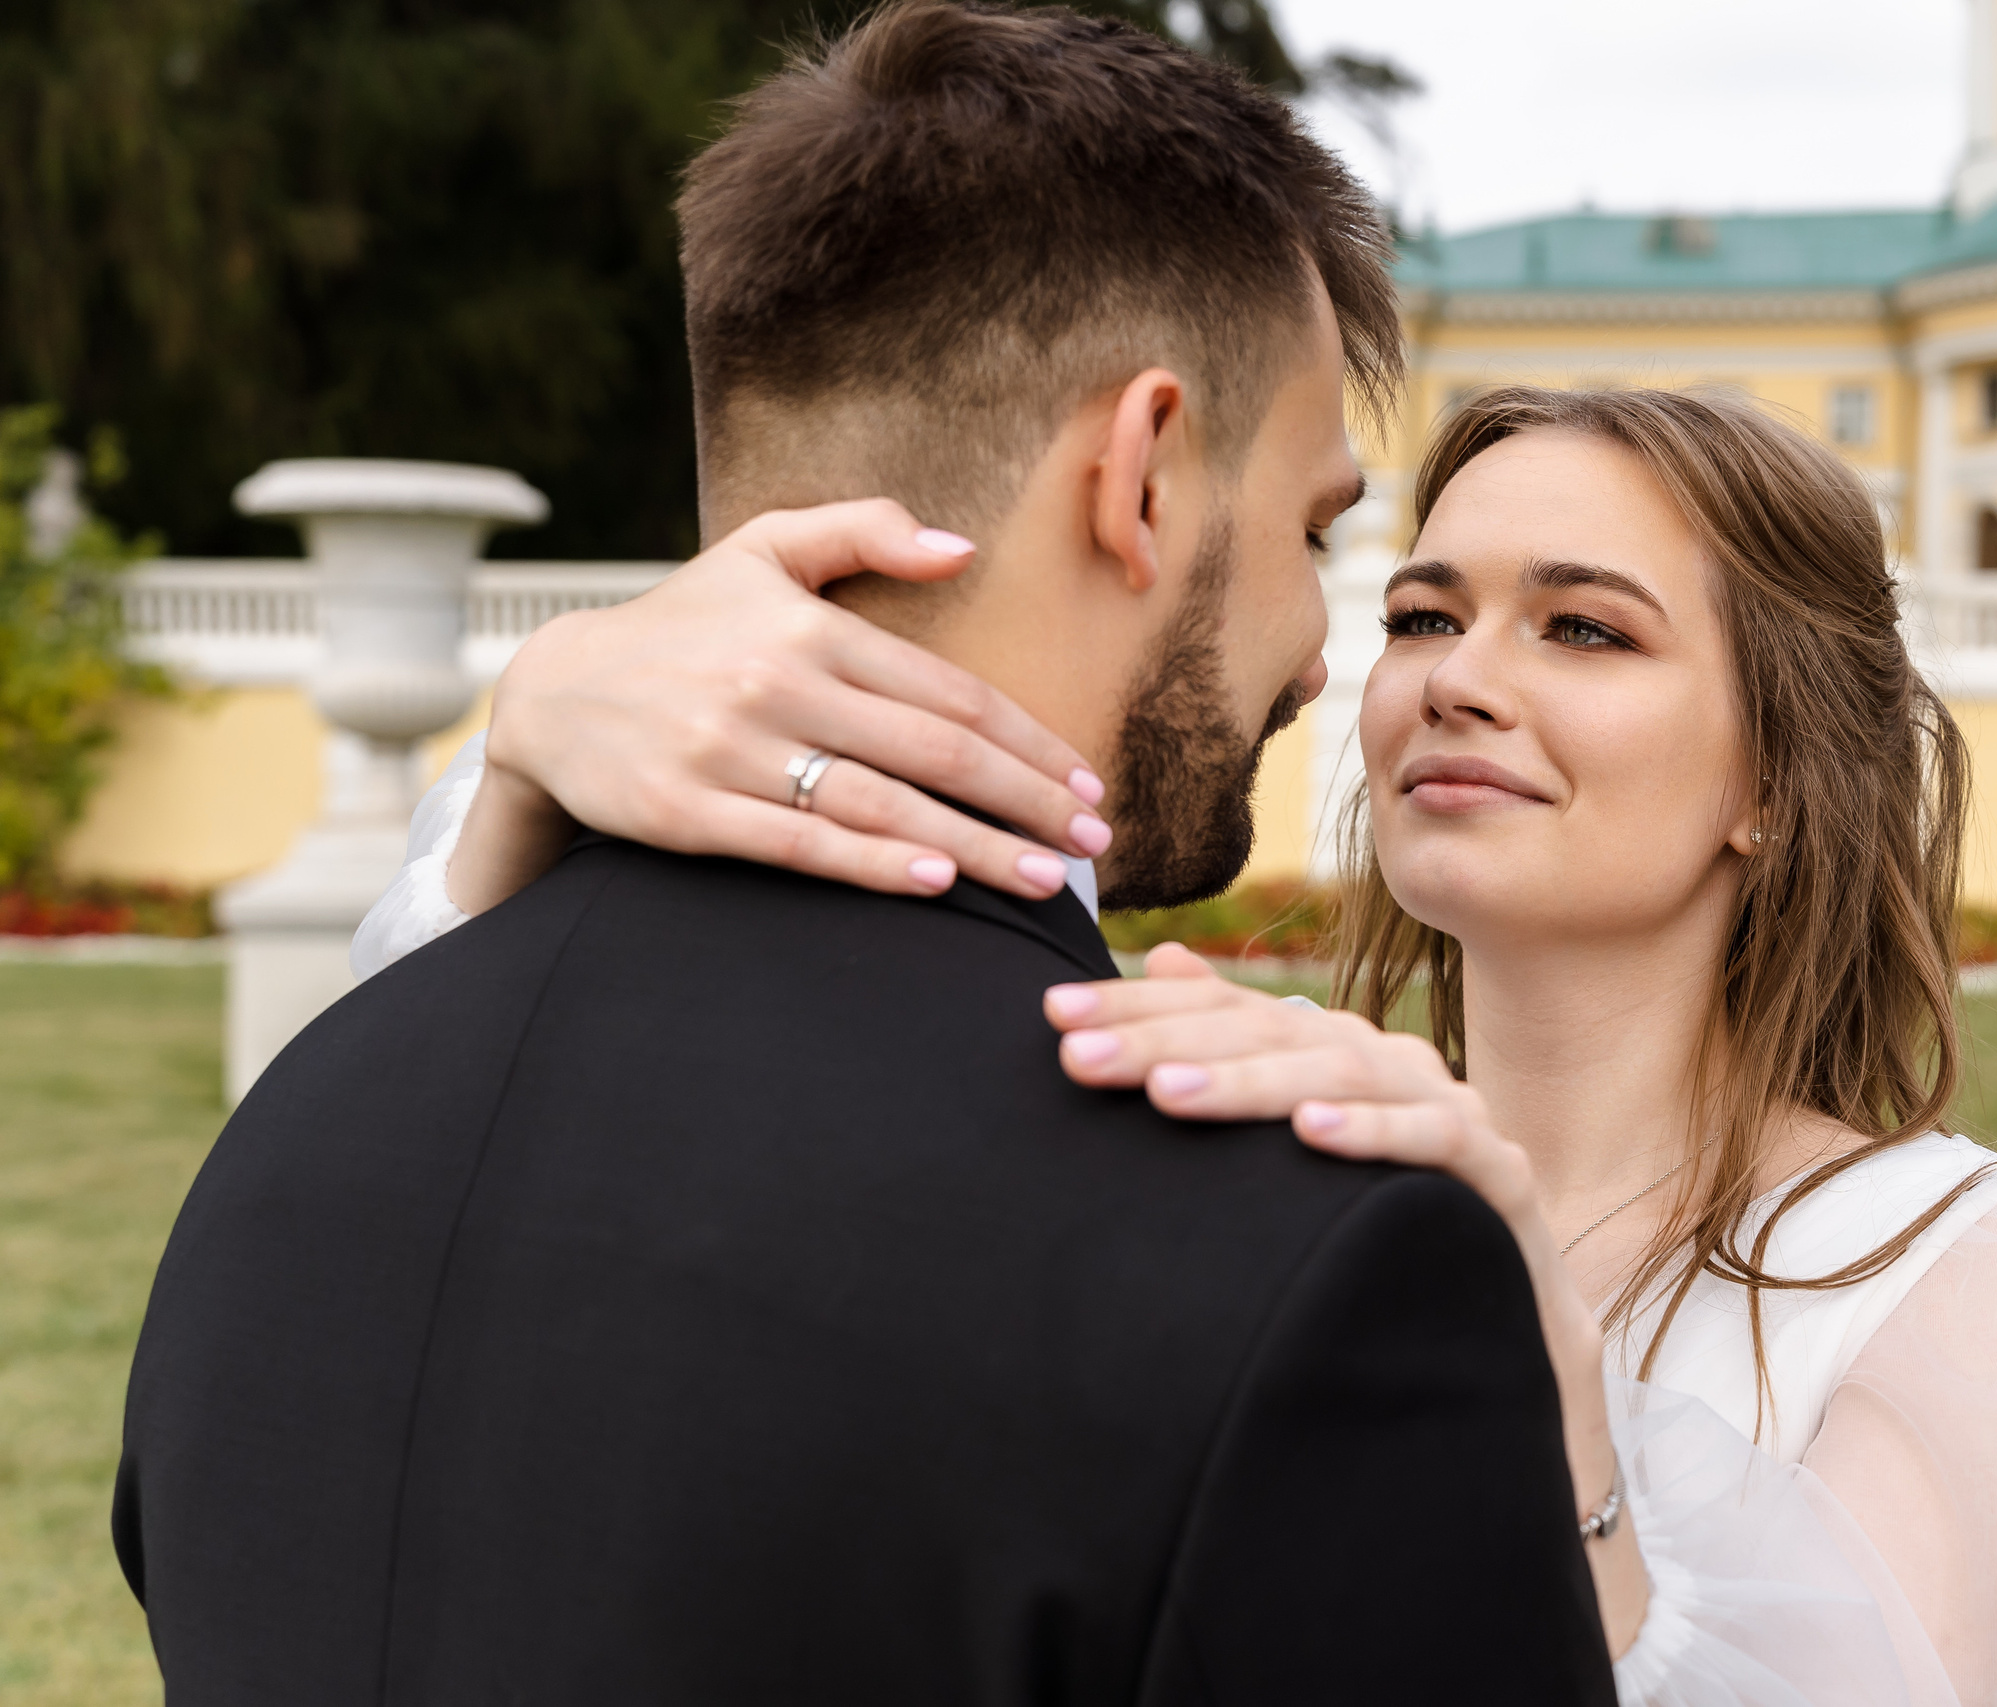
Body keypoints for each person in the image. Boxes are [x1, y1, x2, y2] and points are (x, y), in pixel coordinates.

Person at [112, 9, 1621, 1703]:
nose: (1318, 651)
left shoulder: (295, 1141)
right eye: (1312, 531)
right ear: (1137, 475)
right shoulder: (1306, 1267)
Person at [377, 384, 1997, 1705]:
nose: (1452, 676)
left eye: (1581, 627)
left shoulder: (1988, 1268)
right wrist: (527, 749)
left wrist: (1513, 1301)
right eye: (1420, 611)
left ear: (1780, 781)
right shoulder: (1230, 1109)